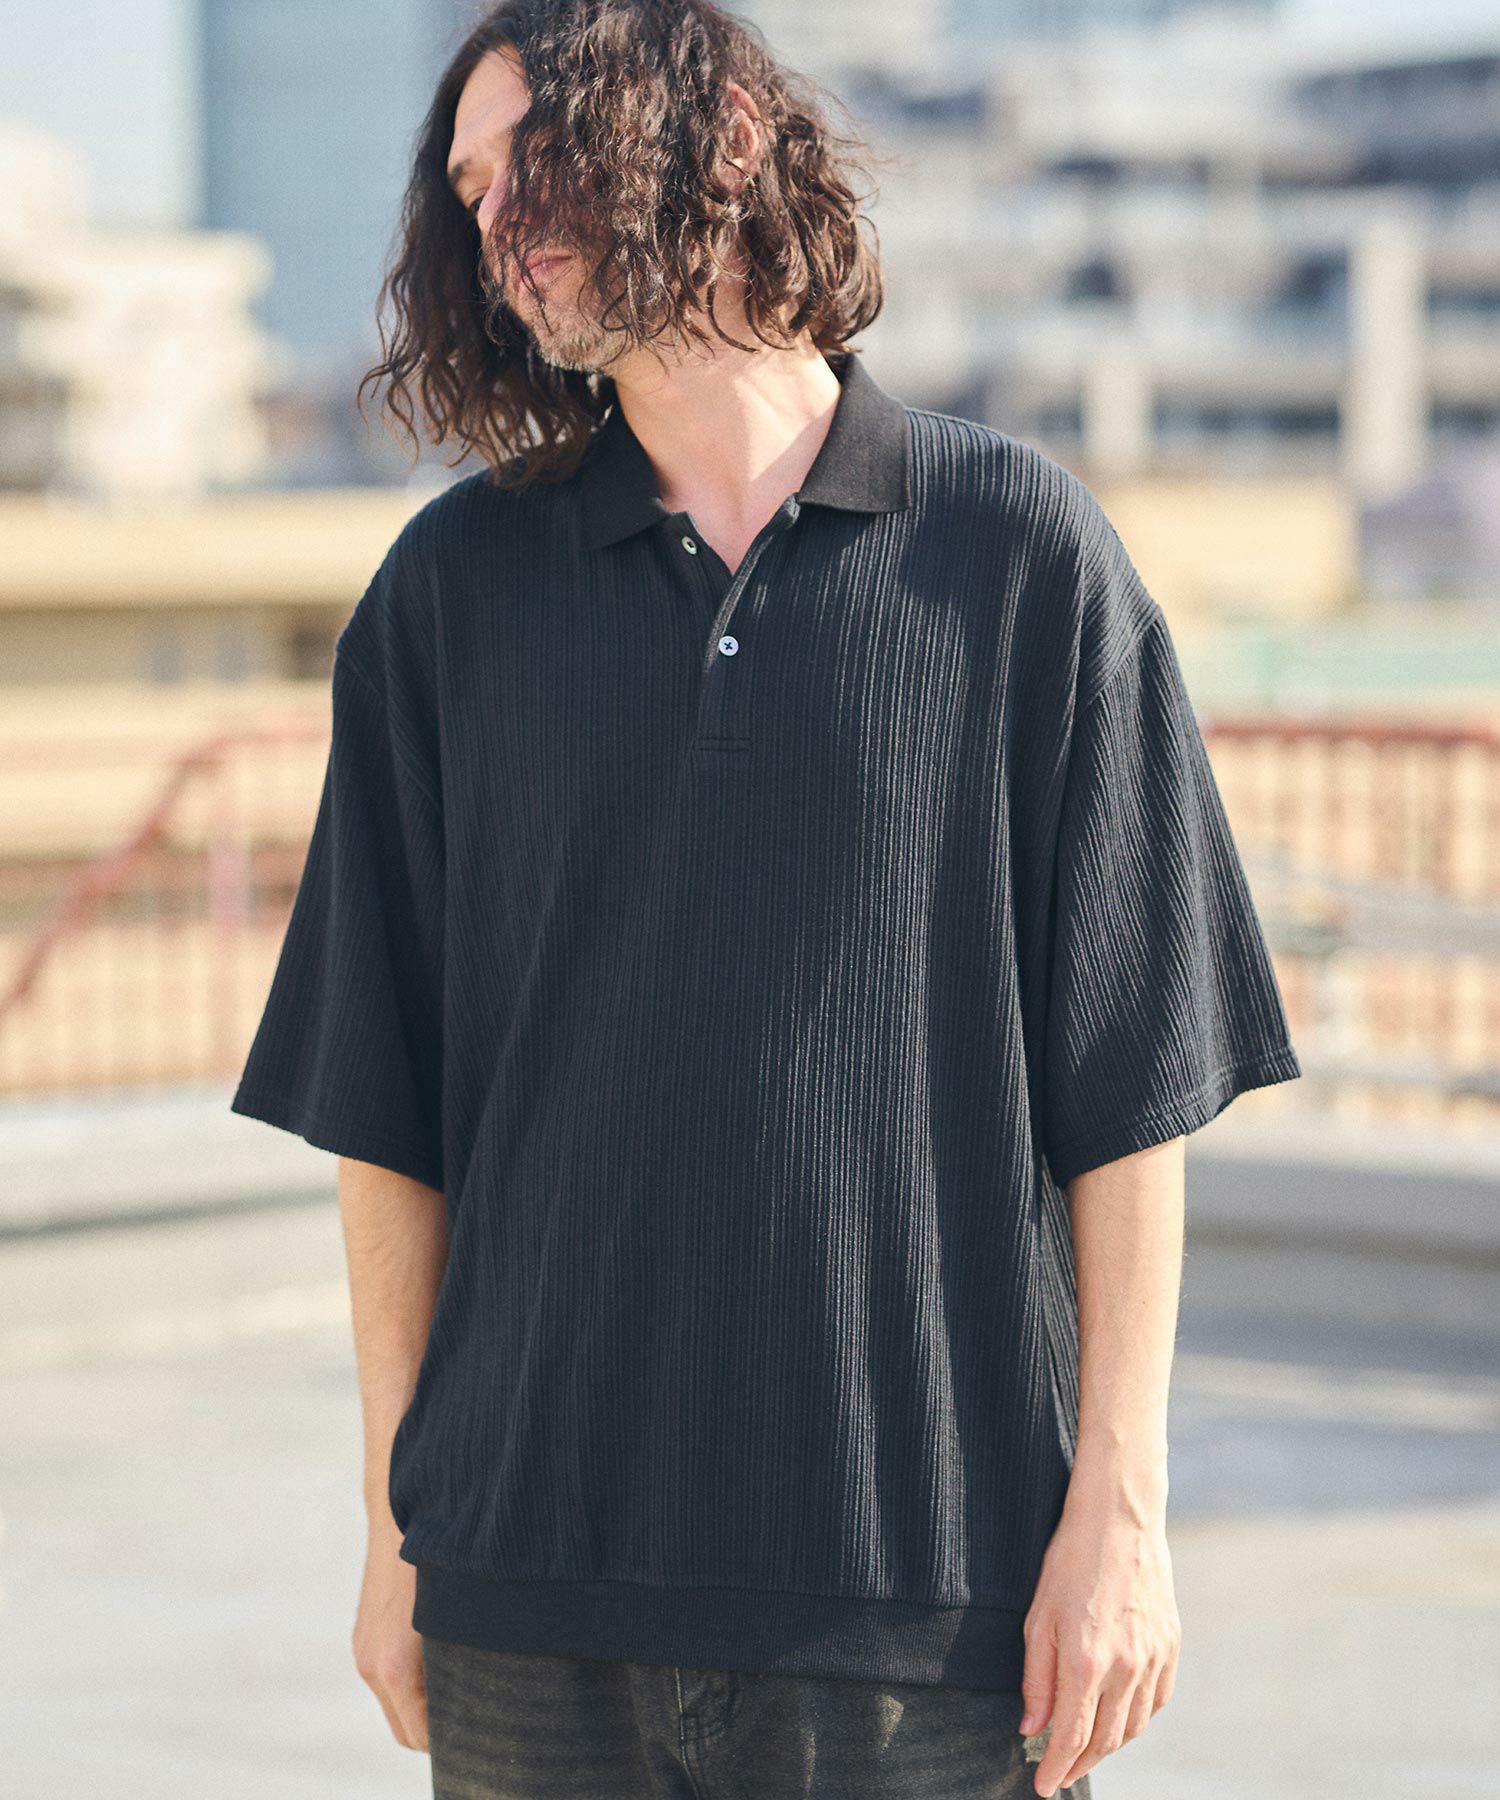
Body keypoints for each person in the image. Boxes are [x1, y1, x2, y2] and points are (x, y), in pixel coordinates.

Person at [230, 2, 1303, 1795]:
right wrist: (390, 1523)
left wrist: (1122, 1512)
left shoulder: (1022, 561)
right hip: (526, 1608)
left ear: (725, 136)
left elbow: (1132, 1086)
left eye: (536, 159)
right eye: (471, 191)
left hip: (927, 1612)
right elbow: (385, 1116)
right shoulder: (444, 601)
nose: (499, 222)